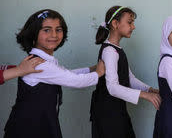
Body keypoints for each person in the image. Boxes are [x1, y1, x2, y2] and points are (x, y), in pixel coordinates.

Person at [4, 9, 105, 138]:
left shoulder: (44, 61)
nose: (54, 35)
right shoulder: (40, 64)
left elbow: (64, 73)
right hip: (28, 129)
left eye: (58, 29)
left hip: (38, 125)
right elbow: (74, 80)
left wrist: (91, 69)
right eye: (46, 30)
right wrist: (99, 73)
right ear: (34, 34)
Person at [90, 6, 161, 138]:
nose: (133, 27)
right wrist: (145, 95)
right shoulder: (109, 51)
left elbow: (129, 78)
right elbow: (112, 88)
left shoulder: (117, 50)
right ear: (115, 24)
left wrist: (150, 90)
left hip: (117, 110)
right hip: (107, 114)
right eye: (129, 22)